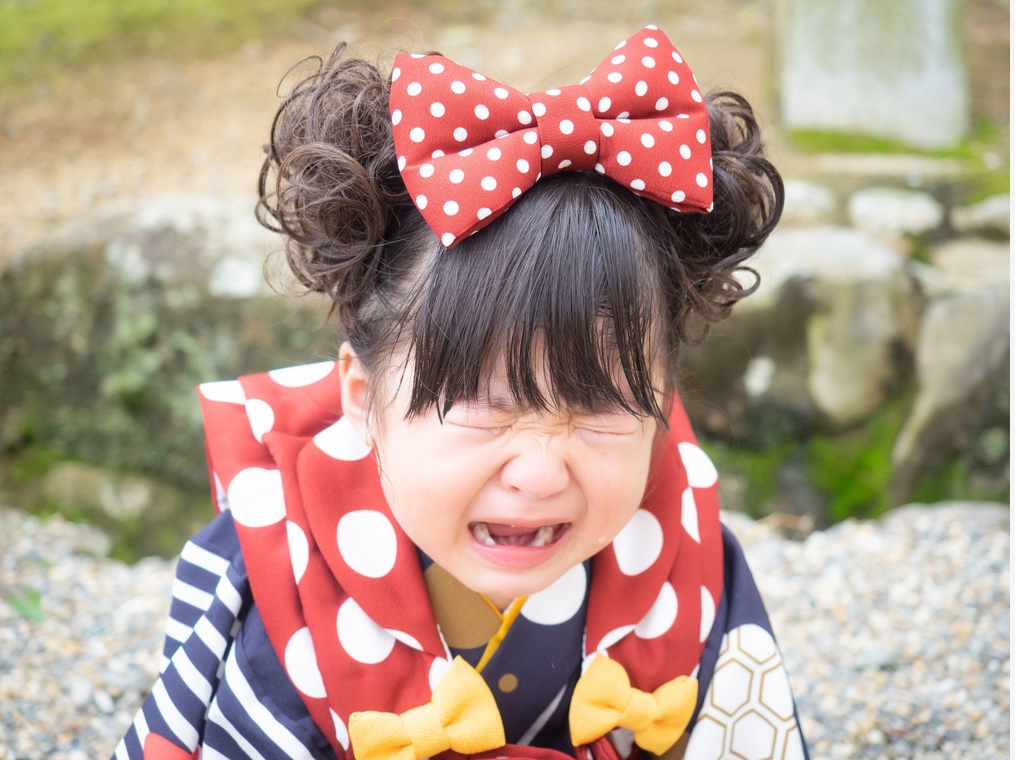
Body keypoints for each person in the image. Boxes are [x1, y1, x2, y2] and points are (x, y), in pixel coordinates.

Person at [113, 24, 807, 760]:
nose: (541, 472)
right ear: (361, 397)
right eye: (483, 406)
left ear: (664, 402)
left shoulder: (688, 554)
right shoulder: (283, 588)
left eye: (600, 408)